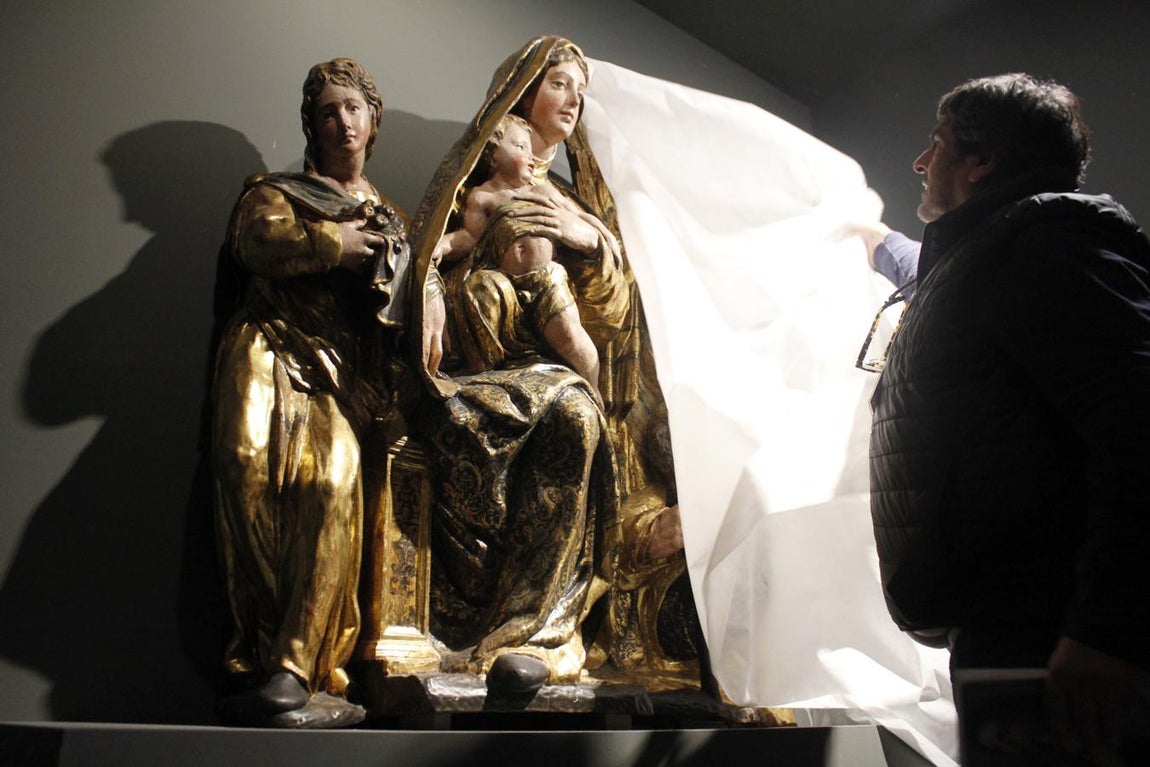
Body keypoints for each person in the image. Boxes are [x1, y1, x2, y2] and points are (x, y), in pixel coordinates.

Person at [866, 73, 1150, 759]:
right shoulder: (994, 253)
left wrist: (1108, 634)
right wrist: (869, 234)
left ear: (982, 161)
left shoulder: (1045, 248)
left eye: (937, 145)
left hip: (1056, 638)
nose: (920, 162)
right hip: (1014, 630)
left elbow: (1139, 428)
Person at [408, 36, 699, 695]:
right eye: (559, 83)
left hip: (560, 372)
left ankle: (537, 636)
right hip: (483, 360)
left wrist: (586, 241)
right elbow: (428, 250)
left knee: (575, 415)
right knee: (515, 411)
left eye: (580, 91)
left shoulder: (576, 202)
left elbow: (618, 310)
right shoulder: (474, 185)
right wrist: (430, 291)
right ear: (521, 93)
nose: (572, 101)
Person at [211, 57, 407, 727]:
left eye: (353, 108)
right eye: (328, 111)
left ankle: (296, 666)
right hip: (265, 348)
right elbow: (257, 241)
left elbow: (407, 301)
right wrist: (334, 244)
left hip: (338, 376)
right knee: (243, 468)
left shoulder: (393, 217)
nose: (342, 121)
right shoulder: (277, 192)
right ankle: (258, 647)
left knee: (333, 485)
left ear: (373, 119)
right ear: (311, 125)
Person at [429, 113, 602, 398]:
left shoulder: (541, 190)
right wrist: (443, 245)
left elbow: (580, 216)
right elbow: (470, 238)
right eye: (521, 147)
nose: (532, 157)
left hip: (546, 280)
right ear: (493, 153)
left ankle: (595, 394)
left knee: (571, 336)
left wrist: (604, 235)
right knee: (480, 300)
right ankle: (489, 386)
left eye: (532, 151)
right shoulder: (482, 197)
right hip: (506, 284)